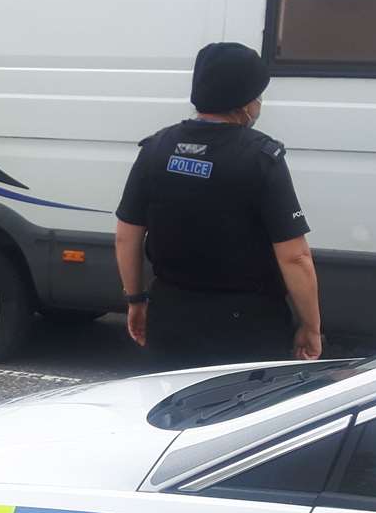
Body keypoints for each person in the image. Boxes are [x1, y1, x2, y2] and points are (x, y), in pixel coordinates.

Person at [114, 42, 323, 367]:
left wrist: (136, 300)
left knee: (172, 411)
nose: (258, 104)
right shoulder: (261, 158)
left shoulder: (156, 149)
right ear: (243, 101)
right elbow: (295, 257)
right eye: (257, 95)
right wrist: (311, 327)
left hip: (170, 315)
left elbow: (126, 235)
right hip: (248, 327)